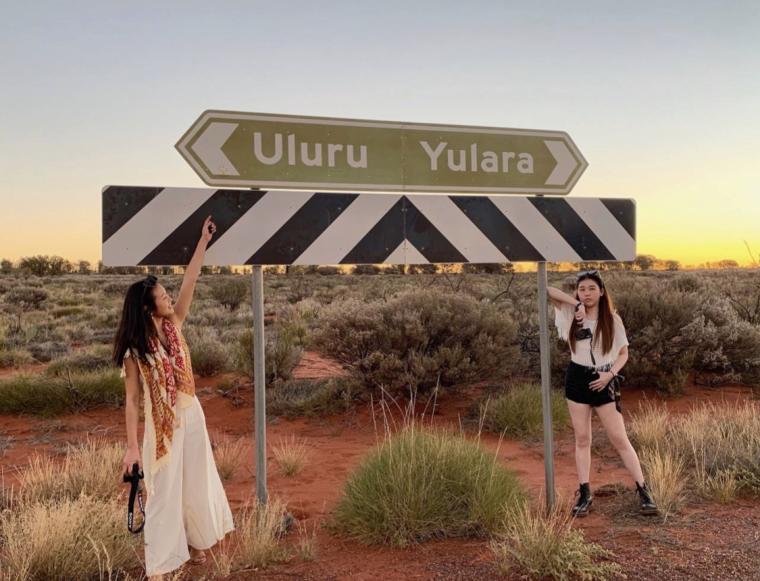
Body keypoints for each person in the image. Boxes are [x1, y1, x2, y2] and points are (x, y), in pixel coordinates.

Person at [113, 216, 234, 580]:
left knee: (196, 481)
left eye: (167, 294)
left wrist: (203, 242)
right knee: (164, 492)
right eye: (163, 297)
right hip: (161, 427)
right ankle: (160, 568)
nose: (169, 299)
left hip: (191, 413)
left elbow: (191, 280)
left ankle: (196, 546)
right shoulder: (135, 352)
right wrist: (132, 448)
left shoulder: (174, 324)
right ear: (149, 308)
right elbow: (132, 402)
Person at [548, 269, 657, 517]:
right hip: (577, 378)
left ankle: (643, 490)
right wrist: (574, 303)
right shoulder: (571, 313)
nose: (586, 294)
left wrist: (609, 375)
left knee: (619, 438)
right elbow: (548, 291)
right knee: (582, 438)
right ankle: (585, 493)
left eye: (591, 289)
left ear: (602, 292)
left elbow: (623, 354)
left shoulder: (612, 319)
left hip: (604, 378)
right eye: (582, 289)